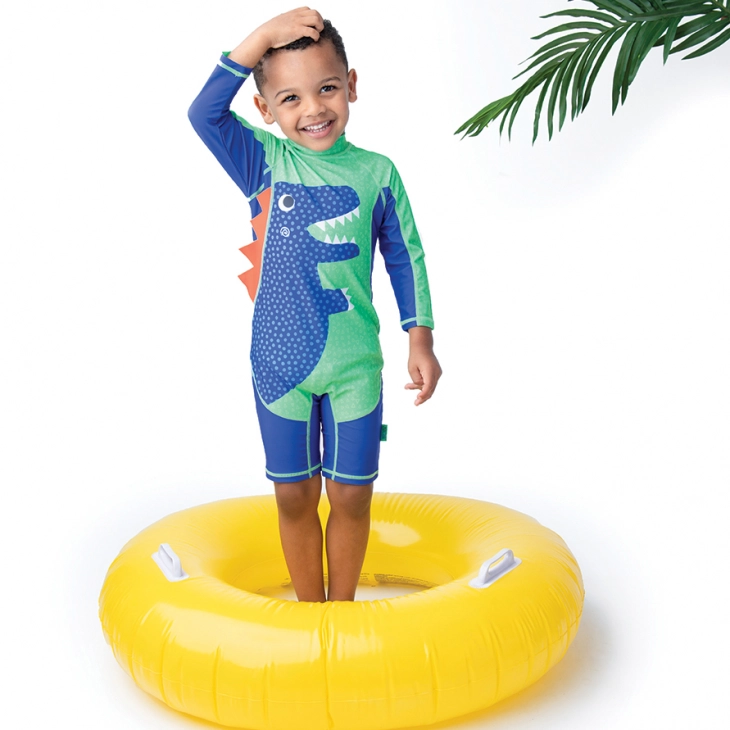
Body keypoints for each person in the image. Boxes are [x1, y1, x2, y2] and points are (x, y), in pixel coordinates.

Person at [188, 7, 441, 603]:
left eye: (327, 88)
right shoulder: (263, 162)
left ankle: (341, 613)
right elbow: (204, 113)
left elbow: (405, 256)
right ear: (265, 110)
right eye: (290, 98)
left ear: (351, 84)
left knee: (352, 494)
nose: (313, 109)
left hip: (356, 367)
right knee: (294, 495)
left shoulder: (378, 173)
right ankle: (310, 615)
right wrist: (262, 38)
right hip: (281, 368)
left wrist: (420, 336)